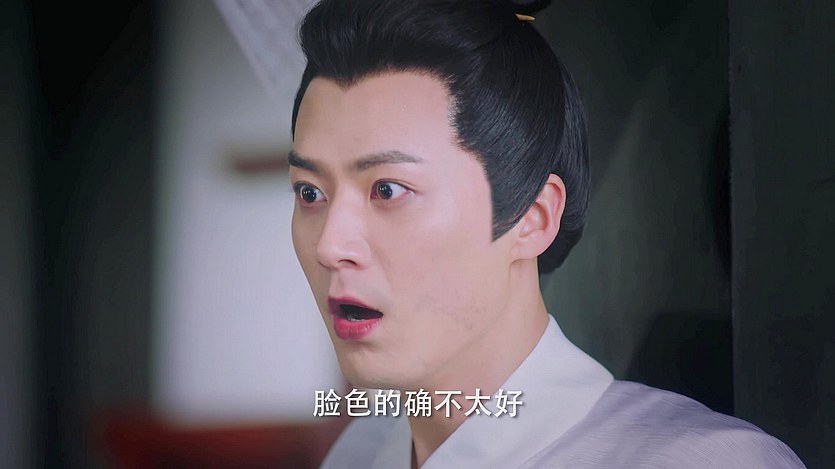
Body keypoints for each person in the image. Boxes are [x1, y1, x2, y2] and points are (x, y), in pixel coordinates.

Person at [286, 0, 806, 467]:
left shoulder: (702, 461)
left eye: (388, 190)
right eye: (310, 192)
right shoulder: (359, 452)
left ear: (533, 216)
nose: (331, 246)